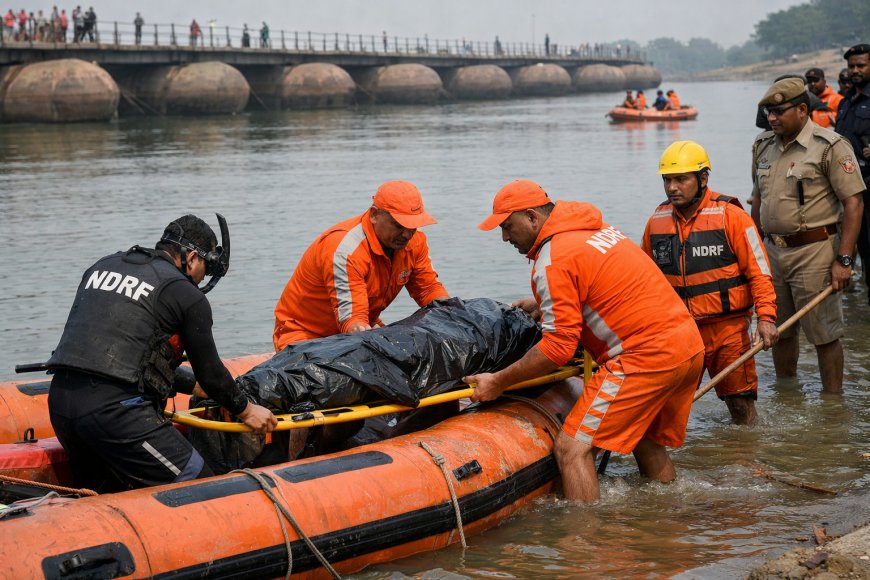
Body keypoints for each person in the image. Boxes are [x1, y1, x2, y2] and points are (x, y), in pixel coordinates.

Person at [465, 180, 704, 503]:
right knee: (645, 438)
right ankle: (670, 514)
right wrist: (543, 304)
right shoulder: (593, 229)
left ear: (534, 218)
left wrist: (498, 381)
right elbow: (601, 281)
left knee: (571, 448)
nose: (505, 237)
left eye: (508, 226)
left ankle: (583, 544)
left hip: (645, 357)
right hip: (688, 345)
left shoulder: (553, 259)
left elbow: (557, 350)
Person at [46, 215, 277, 492]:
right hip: (115, 415)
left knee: (103, 492)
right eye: (205, 269)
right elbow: (213, 374)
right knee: (203, 485)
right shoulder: (185, 294)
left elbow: (124, 357)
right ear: (191, 258)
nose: (202, 279)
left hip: (60, 404)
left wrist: (193, 385)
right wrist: (247, 410)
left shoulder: (102, 266)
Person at [642, 141, 778, 425]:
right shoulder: (656, 221)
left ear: (703, 179)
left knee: (740, 406)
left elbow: (760, 273)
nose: (672, 188)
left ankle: (747, 460)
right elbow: (641, 280)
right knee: (665, 411)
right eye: (667, 180)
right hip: (680, 332)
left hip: (727, 330)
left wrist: (766, 317)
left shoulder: (732, 216)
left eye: (681, 179)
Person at [750, 77, 866, 394]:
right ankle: (787, 394)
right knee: (778, 330)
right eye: (769, 112)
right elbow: (757, 200)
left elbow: (853, 203)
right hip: (773, 251)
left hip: (815, 250)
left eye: (779, 111)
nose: (772, 118)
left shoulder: (830, 146)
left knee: (824, 333)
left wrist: (844, 260)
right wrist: (754, 256)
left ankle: (833, 402)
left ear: (802, 109)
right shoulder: (762, 147)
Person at [273, 180, 449, 351]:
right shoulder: (346, 250)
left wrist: (453, 313)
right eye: (399, 225)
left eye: (413, 226)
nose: (407, 234)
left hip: (365, 323)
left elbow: (428, 289)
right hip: (303, 335)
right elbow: (353, 320)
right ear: (374, 215)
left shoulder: (415, 242)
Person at [835, 44, 870, 302]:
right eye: (851, 67)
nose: (855, 71)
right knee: (860, 251)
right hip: (851, 191)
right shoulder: (845, 103)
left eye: (861, 66)